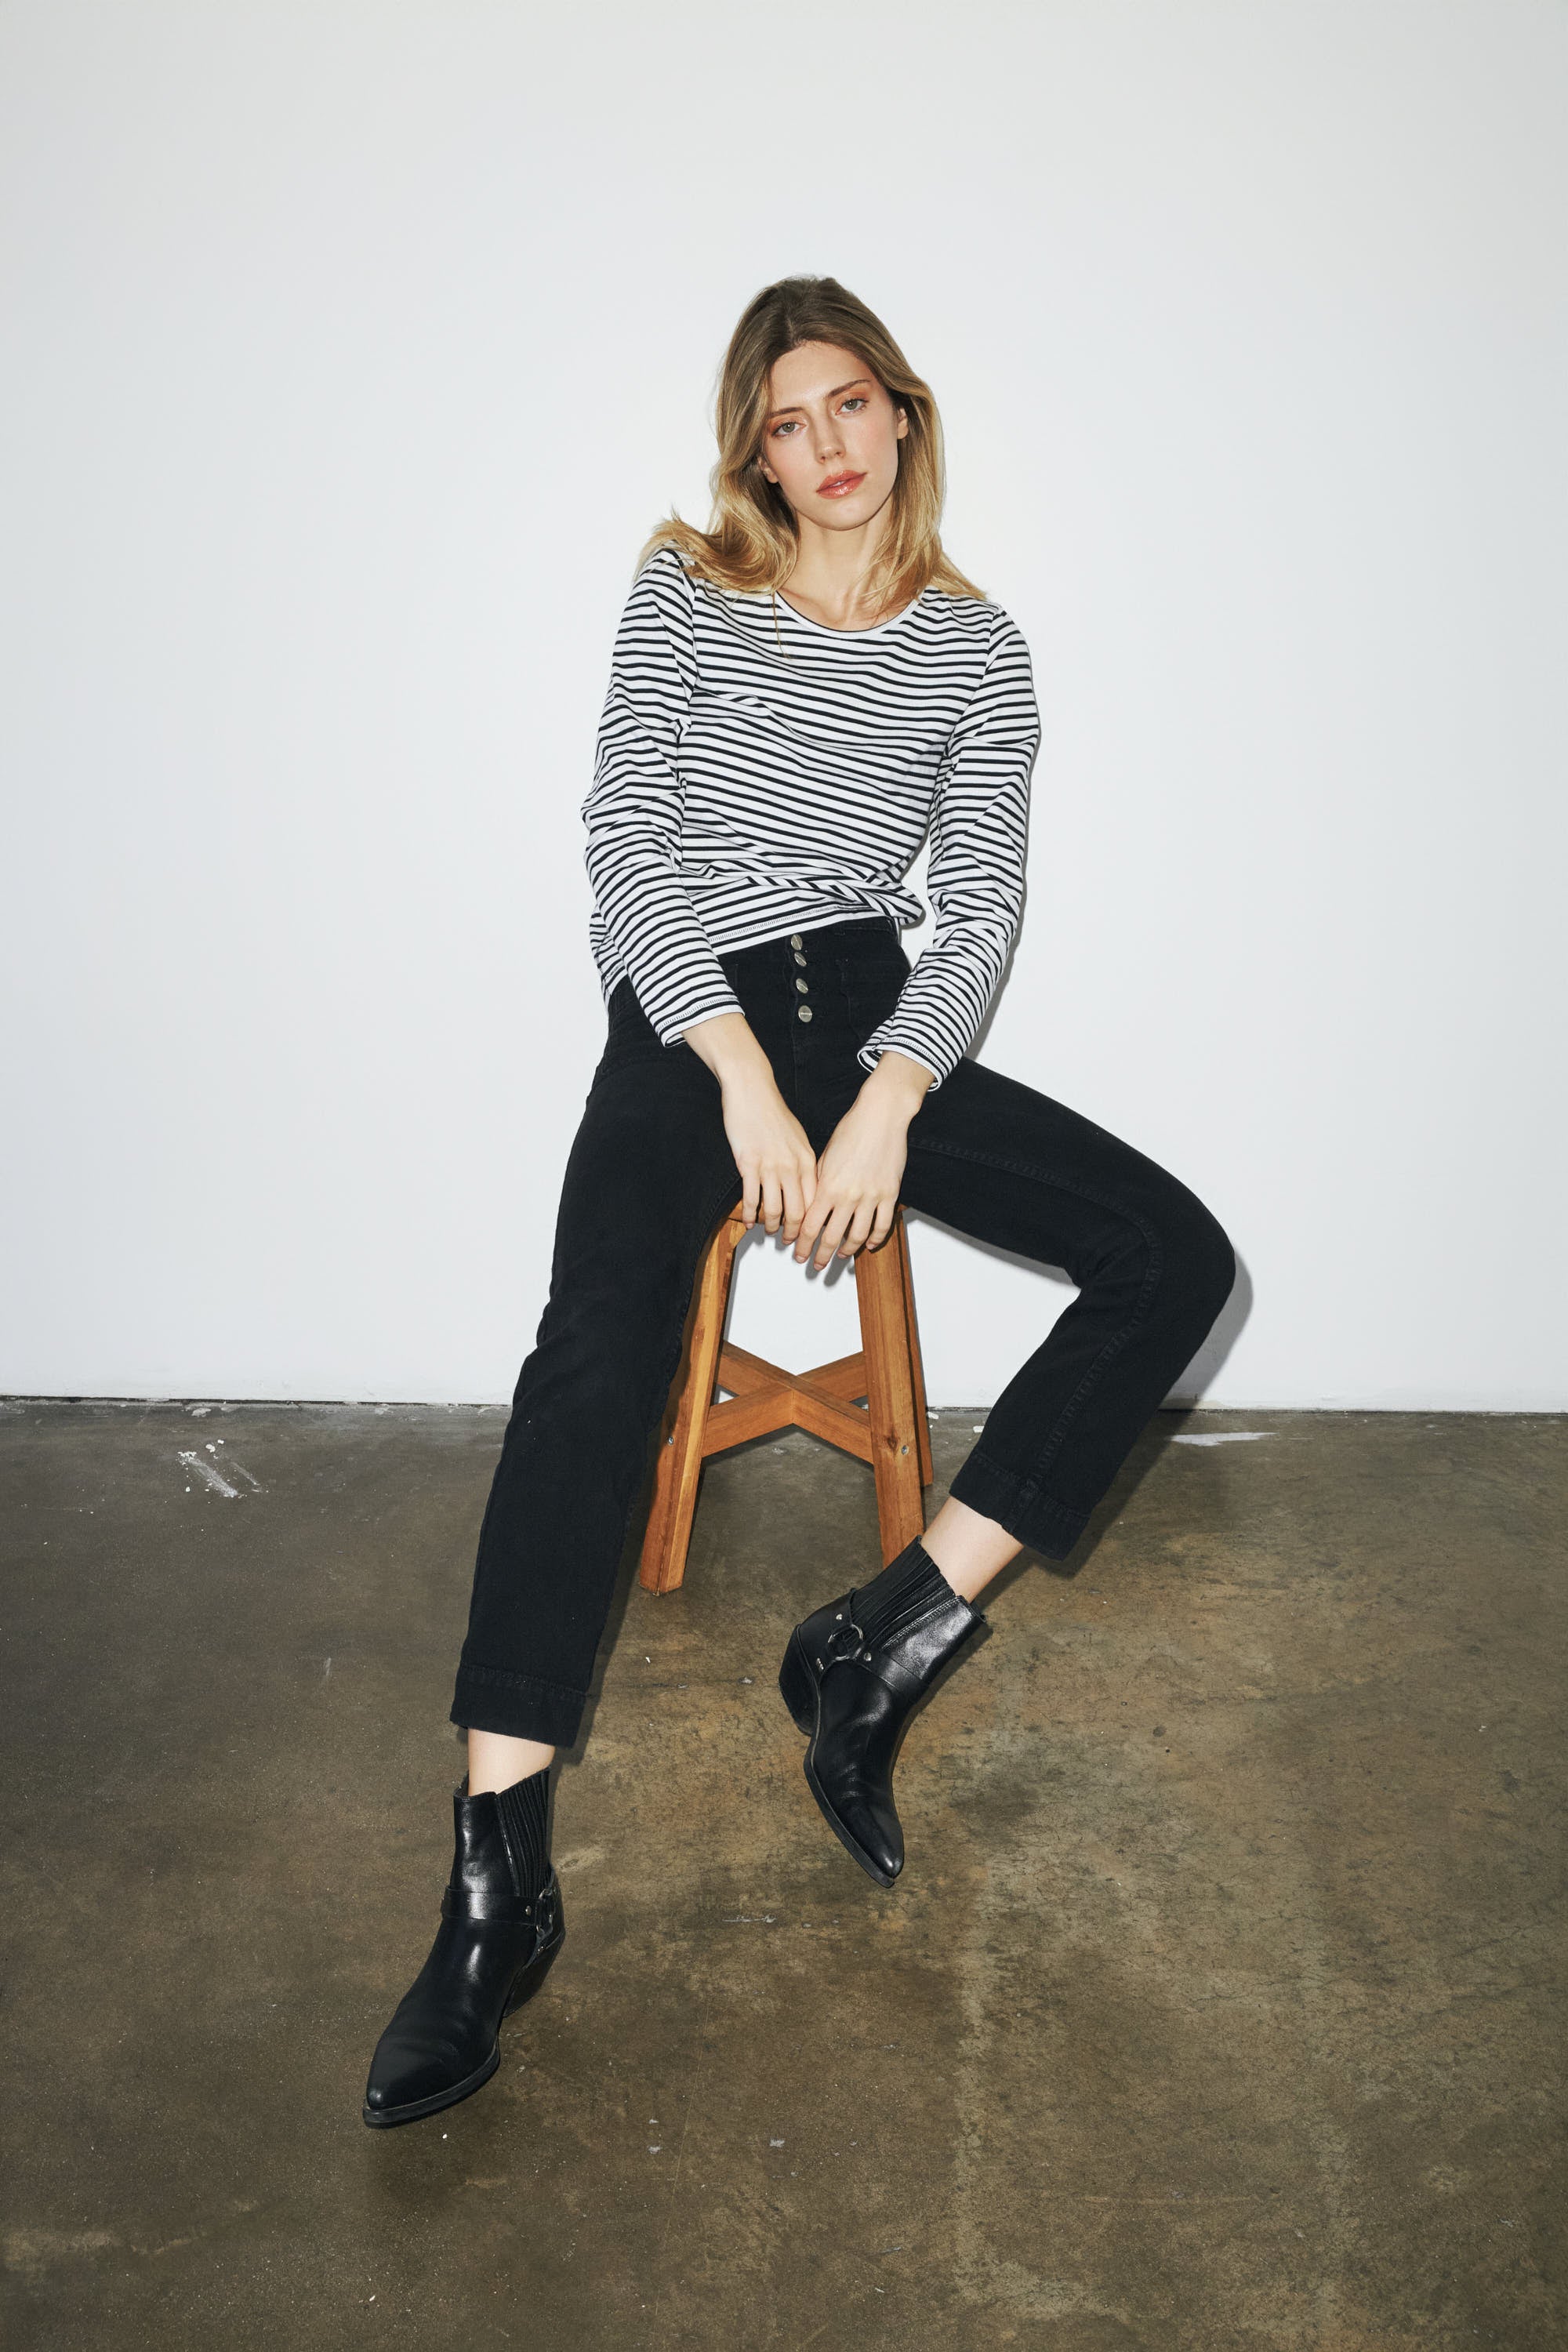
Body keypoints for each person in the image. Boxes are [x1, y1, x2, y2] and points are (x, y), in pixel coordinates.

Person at [361, 276, 1236, 2129]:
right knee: (591, 1354)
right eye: (785, 419)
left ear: (902, 417)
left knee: (1173, 1256)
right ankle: (491, 1886)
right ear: (751, 446)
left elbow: (976, 899)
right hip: (691, 1016)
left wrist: (887, 1104)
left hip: (866, 1012)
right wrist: (746, 1086)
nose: (824, 448)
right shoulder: (686, 581)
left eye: (850, 407)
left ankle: (882, 1638)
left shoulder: (973, 645)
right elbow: (623, 840)